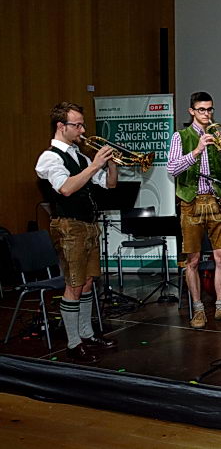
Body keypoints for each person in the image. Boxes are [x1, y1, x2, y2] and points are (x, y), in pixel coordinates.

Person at [35, 102, 119, 362]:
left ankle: (87, 334)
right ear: (61, 126)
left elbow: (109, 184)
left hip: (88, 225)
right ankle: (73, 343)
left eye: (83, 124)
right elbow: (66, 188)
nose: (83, 130)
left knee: (88, 281)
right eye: (77, 125)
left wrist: (112, 163)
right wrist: (94, 166)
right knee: (74, 284)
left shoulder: (80, 157)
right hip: (69, 226)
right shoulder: (50, 157)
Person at [167, 91, 221, 329]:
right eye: (201, 109)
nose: (207, 114)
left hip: (217, 200)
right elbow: (172, 168)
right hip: (191, 202)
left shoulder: (219, 134)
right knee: (193, 259)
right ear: (192, 111)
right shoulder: (181, 136)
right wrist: (197, 150)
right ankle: (198, 309)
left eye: (209, 109)